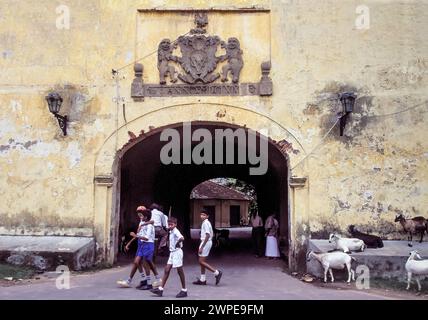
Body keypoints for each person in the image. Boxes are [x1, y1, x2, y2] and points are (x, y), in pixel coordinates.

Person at [151, 217, 188, 298]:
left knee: (180, 271)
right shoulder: (171, 231)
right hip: (172, 253)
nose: (170, 226)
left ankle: (184, 290)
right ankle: (160, 289)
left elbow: (182, 238)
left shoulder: (176, 231)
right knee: (167, 270)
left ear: (175, 224)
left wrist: (178, 242)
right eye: (169, 224)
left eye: (172, 224)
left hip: (177, 252)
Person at [130, 208, 161, 290]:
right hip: (143, 244)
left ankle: (149, 283)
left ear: (146, 217)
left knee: (145, 263)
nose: (140, 217)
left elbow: (146, 238)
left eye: (141, 216)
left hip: (148, 244)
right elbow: (139, 234)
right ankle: (144, 279)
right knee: (137, 261)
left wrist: (136, 236)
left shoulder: (150, 226)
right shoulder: (143, 223)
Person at [116, 206, 148, 288]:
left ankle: (149, 280)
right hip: (140, 244)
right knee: (136, 263)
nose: (139, 215)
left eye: (141, 213)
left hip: (146, 244)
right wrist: (129, 243)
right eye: (138, 213)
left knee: (143, 263)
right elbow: (137, 235)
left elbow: (141, 235)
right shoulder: (141, 222)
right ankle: (136, 280)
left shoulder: (148, 223)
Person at [193, 210, 223, 286]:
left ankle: (217, 272)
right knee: (202, 261)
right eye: (201, 214)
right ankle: (203, 279)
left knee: (201, 261)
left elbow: (208, 235)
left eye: (204, 215)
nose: (202, 216)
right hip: (205, 242)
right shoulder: (205, 223)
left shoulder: (206, 223)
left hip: (205, 242)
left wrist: (202, 246)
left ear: (207, 216)